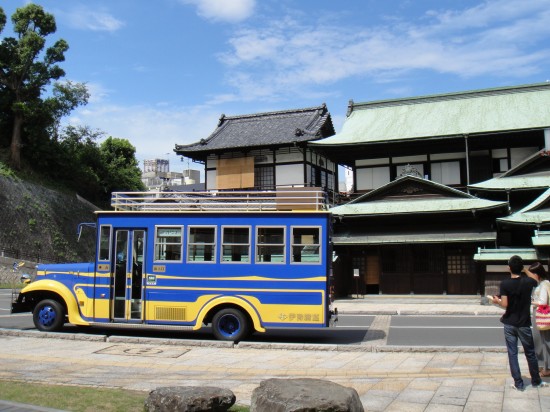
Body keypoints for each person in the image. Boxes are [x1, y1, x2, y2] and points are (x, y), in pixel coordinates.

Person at [491, 255, 548, 391]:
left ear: (509, 268)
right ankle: (536, 380)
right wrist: (524, 269)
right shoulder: (528, 282)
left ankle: (519, 383)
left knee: (512, 353)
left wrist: (496, 301)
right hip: (524, 323)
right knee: (530, 353)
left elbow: (505, 304)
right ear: (521, 268)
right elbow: (535, 279)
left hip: (509, 323)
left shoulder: (505, 284)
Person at [527, 262, 550, 377]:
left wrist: (531, 302)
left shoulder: (543, 285)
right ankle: (544, 366)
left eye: (532, 273)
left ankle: (547, 368)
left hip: (542, 314)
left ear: (537, 274)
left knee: (544, 341)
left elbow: (543, 302)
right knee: (542, 341)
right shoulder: (542, 283)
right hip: (542, 314)